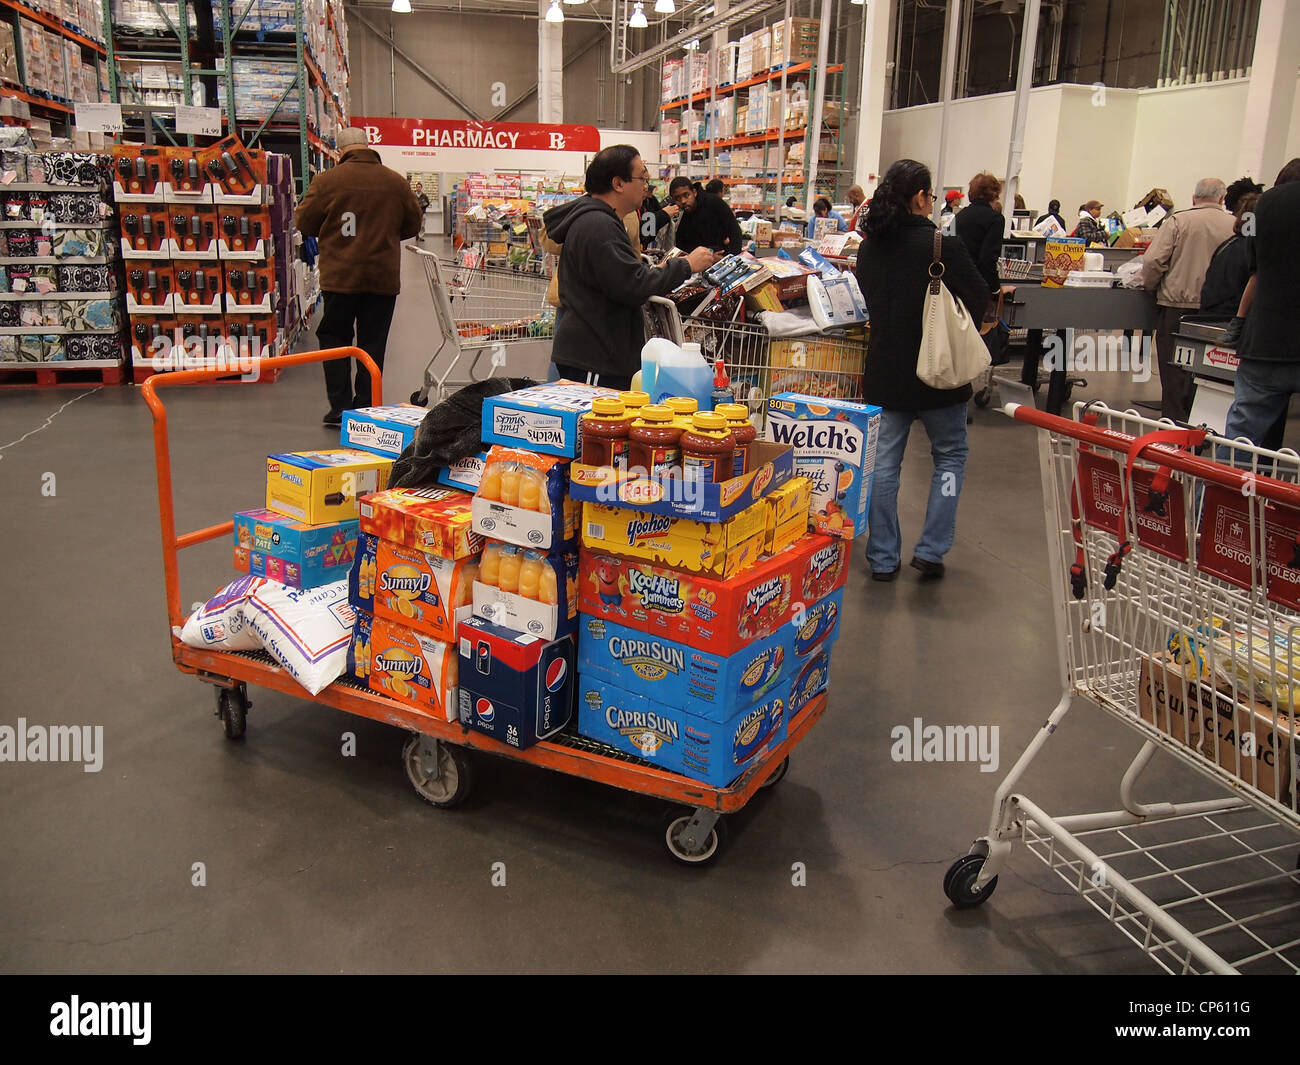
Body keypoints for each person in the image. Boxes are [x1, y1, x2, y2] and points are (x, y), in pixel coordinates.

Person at [856, 159, 987, 582]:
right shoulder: (940, 245)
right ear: (920, 197)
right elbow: (980, 297)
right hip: (940, 376)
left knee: (882, 466)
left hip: (886, 374)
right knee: (949, 458)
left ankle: (882, 557)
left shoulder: (868, 247)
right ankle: (930, 551)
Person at [542, 146, 717, 389]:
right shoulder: (599, 226)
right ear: (618, 183)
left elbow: (618, 276)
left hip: (597, 352)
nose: (646, 185)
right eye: (642, 178)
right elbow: (632, 285)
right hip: (595, 358)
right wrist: (686, 265)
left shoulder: (601, 221)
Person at [295, 127, 422, 426]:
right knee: (373, 343)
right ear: (368, 146)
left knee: (335, 338)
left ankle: (339, 407)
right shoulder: (395, 182)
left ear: (341, 151)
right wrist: (386, 235)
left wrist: (331, 234)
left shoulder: (326, 182)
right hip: (382, 278)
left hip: (341, 277)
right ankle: (366, 406)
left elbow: (304, 220)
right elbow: (413, 224)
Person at [1220, 159, 1300, 448]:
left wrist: (1238, 323)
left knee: (1242, 436)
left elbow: (1253, 268)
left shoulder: (1260, 206)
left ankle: (1223, 490)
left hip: (1264, 340)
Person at [1141, 177, 1235, 422]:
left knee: (1174, 373)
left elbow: (1153, 261)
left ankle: (1173, 430)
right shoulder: (1236, 225)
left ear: (1194, 198)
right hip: (1218, 313)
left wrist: (1150, 287)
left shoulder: (1178, 221)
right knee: (1209, 375)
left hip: (1177, 308)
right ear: (1222, 199)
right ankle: (1203, 427)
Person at [954, 172, 1003, 296]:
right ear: (994, 194)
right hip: (977, 287)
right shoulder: (995, 219)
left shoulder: (960, 216)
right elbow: (987, 259)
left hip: (956, 285)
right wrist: (996, 289)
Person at [669, 176, 743, 254]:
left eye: (686, 195)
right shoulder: (678, 216)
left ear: (694, 192)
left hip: (721, 259)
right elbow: (681, 246)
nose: (683, 201)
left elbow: (735, 231)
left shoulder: (713, 202)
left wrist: (732, 258)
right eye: (678, 198)